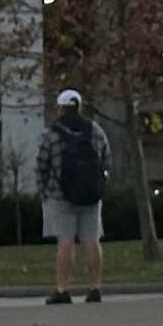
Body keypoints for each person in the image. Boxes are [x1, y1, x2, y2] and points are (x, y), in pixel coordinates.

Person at [37, 88, 110, 306]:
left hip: (60, 195)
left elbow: (41, 165)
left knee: (65, 241)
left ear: (60, 108)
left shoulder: (51, 134)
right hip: (91, 195)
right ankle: (94, 288)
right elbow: (106, 159)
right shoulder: (95, 130)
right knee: (92, 240)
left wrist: (44, 191)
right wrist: (99, 184)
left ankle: (63, 289)